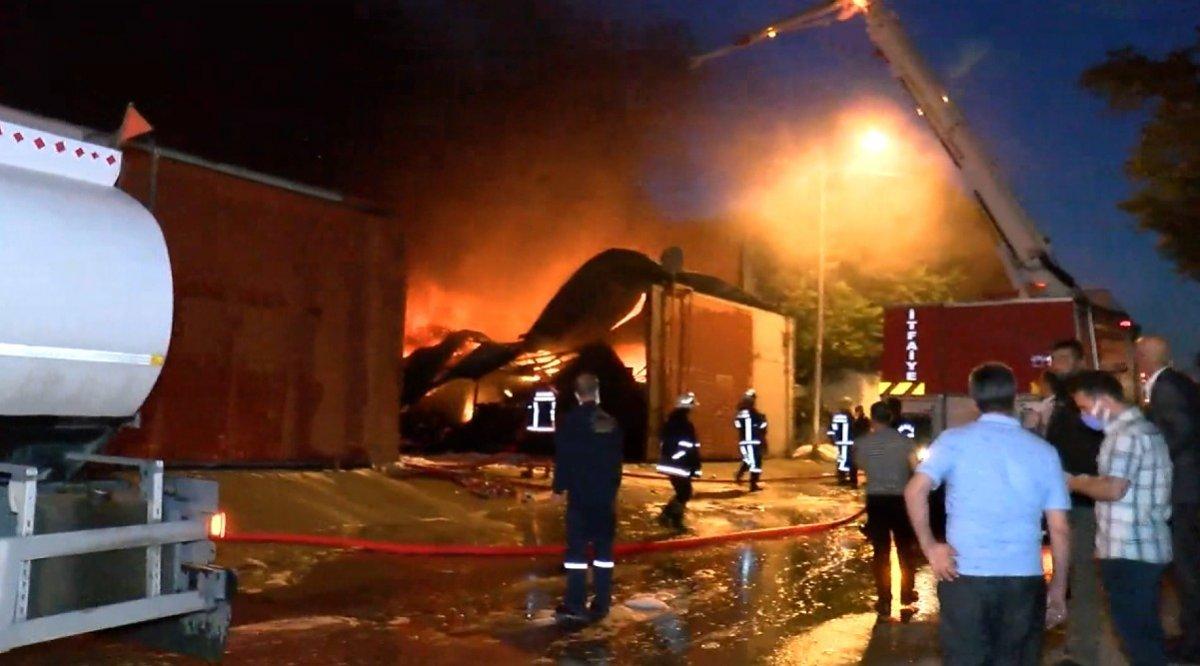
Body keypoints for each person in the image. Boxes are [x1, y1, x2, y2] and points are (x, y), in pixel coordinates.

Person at [905, 363, 1071, 665]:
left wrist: (931, 547)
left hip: (964, 576)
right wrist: (1058, 587)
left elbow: (914, 490)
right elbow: (1059, 527)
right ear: (1015, 397)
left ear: (974, 398)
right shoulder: (1044, 452)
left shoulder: (953, 441)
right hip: (1023, 579)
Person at [1066, 370, 1173, 666]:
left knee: (1137, 639)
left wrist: (1073, 482)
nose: (1084, 416)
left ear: (1103, 401)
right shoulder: (1146, 429)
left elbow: (1112, 488)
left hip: (1129, 551)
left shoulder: (1124, 436)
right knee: (1145, 635)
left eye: (1085, 408)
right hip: (1146, 546)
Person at [1137, 335, 1200, 661]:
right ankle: (1190, 635)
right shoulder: (1180, 382)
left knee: (1186, 568)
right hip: (1189, 488)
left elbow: (1183, 431)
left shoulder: (1166, 387)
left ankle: (1194, 642)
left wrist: (1157, 461)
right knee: (1187, 567)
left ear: (1144, 356)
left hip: (1184, 490)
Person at [1043, 340, 1105, 666]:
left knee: (1081, 575)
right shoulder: (1063, 401)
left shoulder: (1086, 401)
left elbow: (1091, 448)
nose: (1056, 364)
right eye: (1053, 359)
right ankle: (1075, 643)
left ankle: (1083, 651)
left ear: (1080, 362)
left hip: (1082, 499)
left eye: (1063, 359)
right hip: (1064, 497)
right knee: (1067, 572)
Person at [552, 373, 624, 625]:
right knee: (604, 553)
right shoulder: (611, 423)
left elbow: (564, 460)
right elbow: (617, 464)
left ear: (576, 394)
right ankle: (602, 603)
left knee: (576, 554)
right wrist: (612, 491)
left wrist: (558, 489)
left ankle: (575, 604)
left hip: (580, 498)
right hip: (605, 499)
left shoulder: (570, 423)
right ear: (597, 392)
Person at [854, 401, 921, 616]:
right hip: (901, 500)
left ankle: (884, 598)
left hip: (876, 500)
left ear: (873, 419)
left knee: (880, 551)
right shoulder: (905, 442)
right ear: (891, 418)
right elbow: (915, 468)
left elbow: (861, 465)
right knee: (904, 548)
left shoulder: (864, 443)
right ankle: (906, 592)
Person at [657, 392, 702, 531]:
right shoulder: (685, 425)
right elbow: (689, 447)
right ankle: (671, 518)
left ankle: (670, 518)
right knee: (685, 492)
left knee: (683, 492)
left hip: (670, 464)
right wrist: (695, 466)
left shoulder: (670, 422)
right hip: (680, 465)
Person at [734, 389, 767, 492]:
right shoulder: (754, 414)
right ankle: (753, 484)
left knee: (748, 460)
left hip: (744, 441)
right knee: (756, 463)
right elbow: (761, 426)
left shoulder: (740, 414)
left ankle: (739, 475)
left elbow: (738, 425)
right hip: (754, 442)